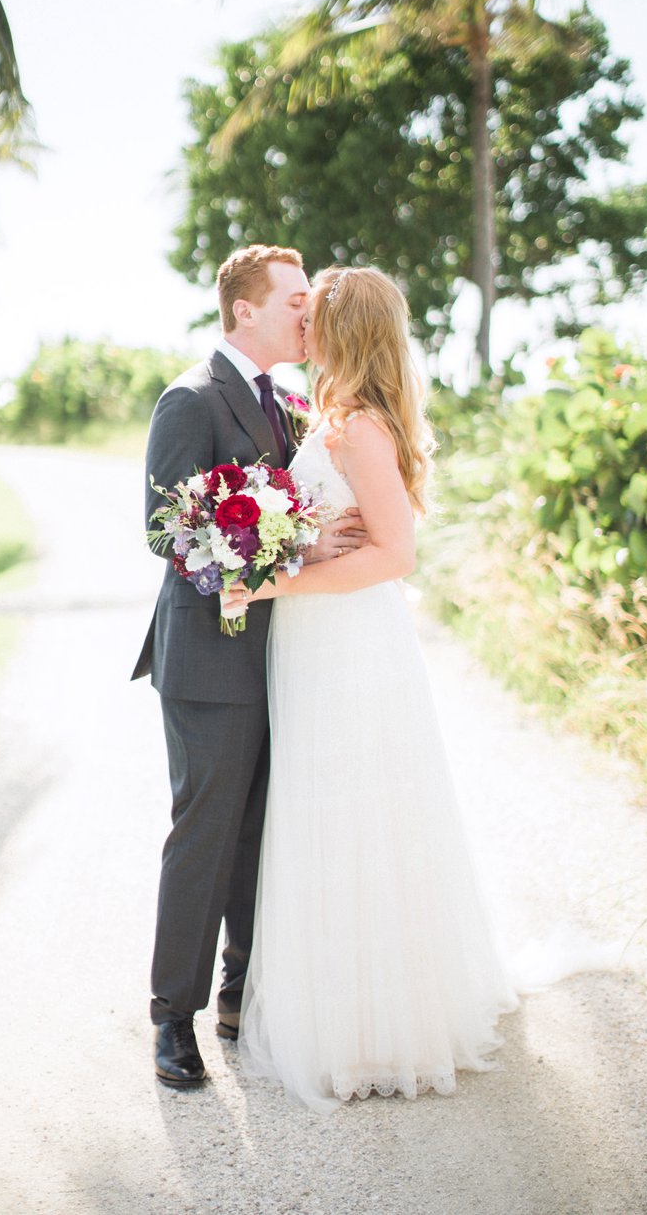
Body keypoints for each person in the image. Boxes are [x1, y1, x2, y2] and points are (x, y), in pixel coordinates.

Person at [226, 266, 519, 1112]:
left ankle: (375, 1030)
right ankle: (344, 1000)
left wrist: (271, 584)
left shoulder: (358, 427)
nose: (301, 327)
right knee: (324, 813)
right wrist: (298, 544)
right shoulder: (328, 415)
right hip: (318, 640)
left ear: (341, 333)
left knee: (357, 815)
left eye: (312, 315)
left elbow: (394, 557)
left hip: (351, 644)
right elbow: (336, 532)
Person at [132, 244, 365, 1089]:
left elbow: (296, 508)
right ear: (244, 310)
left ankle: (239, 995)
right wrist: (253, 554)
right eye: (296, 300)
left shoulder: (294, 404)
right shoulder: (191, 398)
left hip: (287, 653)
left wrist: (308, 541)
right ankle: (171, 1019)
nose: (310, 313)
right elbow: (165, 530)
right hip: (208, 659)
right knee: (206, 834)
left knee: (265, 833)